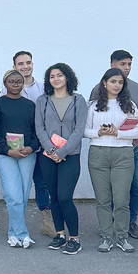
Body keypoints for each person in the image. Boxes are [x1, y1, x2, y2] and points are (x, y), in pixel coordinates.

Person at [88, 50, 138, 240]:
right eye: (123, 64)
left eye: (120, 82)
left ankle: (127, 228)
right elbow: (84, 129)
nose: (127, 69)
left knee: (129, 192)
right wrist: (99, 132)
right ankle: (107, 232)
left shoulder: (131, 101)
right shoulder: (94, 102)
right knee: (104, 198)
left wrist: (118, 133)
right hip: (99, 152)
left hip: (127, 151)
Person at [35, 64, 87, 255]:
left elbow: (79, 130)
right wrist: (50, 149)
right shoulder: (43, 100)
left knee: (65, 196)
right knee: (54, 197)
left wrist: (62, 151)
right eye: (52, 76)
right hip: (47, 156)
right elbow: (39, 127)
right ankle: (60, 235)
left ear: (68, 78)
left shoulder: (78, 100)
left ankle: (75, 238)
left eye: (60, 75)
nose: (56, 79)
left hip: (70, 156)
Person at [1, 51, 54, 238]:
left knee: (42, 183)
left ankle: (47, 222)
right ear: (14, 66)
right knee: (17, 191)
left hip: (40, 143)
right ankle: (18, 230)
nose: (25, 66)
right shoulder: (5, 92)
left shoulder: (43, 89)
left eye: (28, 63)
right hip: (16, 148)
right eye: (21, 63)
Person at [0, 70, 39, 248]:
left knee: (23, 196)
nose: (15, 84)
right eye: (11, 81)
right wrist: (8, 151)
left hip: (27, 154)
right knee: (13, 195)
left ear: (23, 83)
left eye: (19, 81)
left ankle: (13, 233)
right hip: (6, 155)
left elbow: (36, 131)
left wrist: (31, 147)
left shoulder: (30, 105)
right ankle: (23, 233)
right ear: (5, 84)